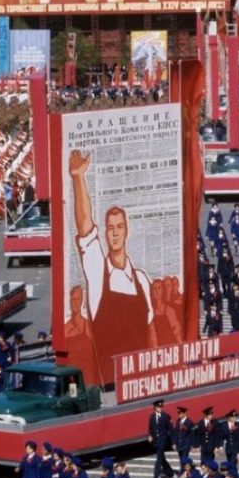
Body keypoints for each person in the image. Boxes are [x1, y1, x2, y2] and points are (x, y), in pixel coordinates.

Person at [69, 150, 159, 371]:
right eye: (110, 228)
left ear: (127, 231)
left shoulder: (142, 280)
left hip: (141, 379)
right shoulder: (98, 273)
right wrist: (79, 178)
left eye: (119, 227)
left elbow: (151, 331)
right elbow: (86, 228)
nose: (115, 233)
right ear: (106, 234)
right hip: (109, 384)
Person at [148, 399, 174, 478]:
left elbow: (170, 429)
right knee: (162, 459)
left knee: (158, 460)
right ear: (155, 408)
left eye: (161, 406)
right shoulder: (152, 417)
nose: (160, 408)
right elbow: (151, 428)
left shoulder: (165, 416)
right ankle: (170, 472)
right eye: (159, 407)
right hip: (155, 442)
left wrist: (173, 442)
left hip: (163, 441)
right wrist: (150, 435)